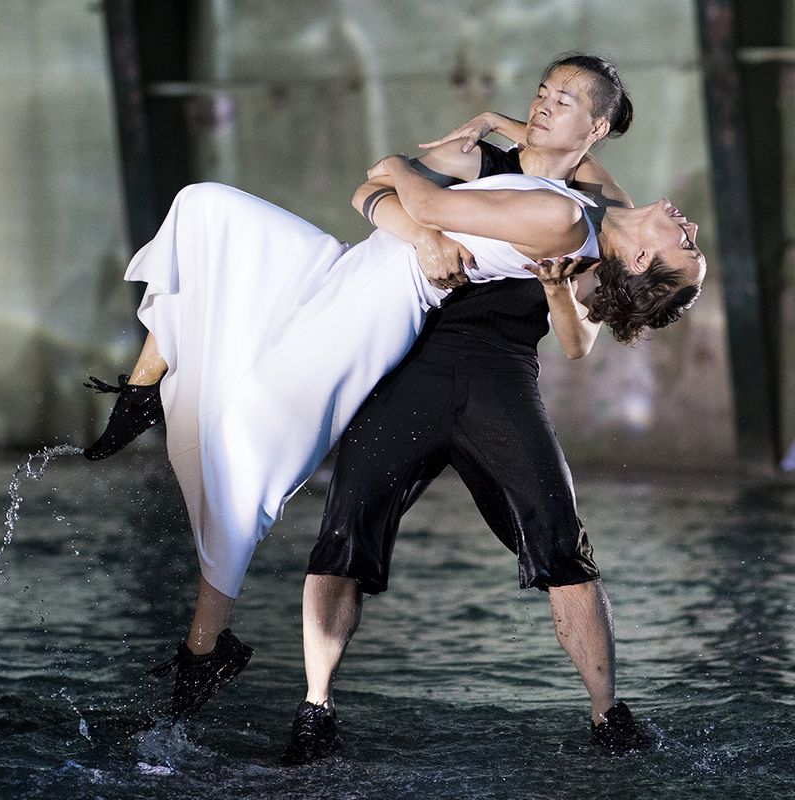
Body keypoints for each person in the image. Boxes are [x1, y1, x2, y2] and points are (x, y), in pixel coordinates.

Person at [84, 55, 704, 735]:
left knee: (251, 445)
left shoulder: (568, 218)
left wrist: (412, 198)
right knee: (205, 209)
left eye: (686, 243)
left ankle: (206, 649)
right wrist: (479, 143)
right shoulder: (592, 199)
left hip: (404, 316)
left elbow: (410, 191)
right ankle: (142, 390)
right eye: (543, 92)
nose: (691, 226)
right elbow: (382, 193)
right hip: (356, 276)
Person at [279, 55, 705, 763]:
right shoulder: (483, 161)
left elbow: (578, 343)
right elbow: (386, 191)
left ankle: (609, 716)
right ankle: (315, 706)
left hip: (501, 372)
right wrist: (464, 161)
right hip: (415, 355)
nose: (545, 105)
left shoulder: (597, 209)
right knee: (346, 527)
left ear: (596, 128)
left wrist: (558, 292)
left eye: (564, 100)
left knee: (561, 538)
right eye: (543, 94)